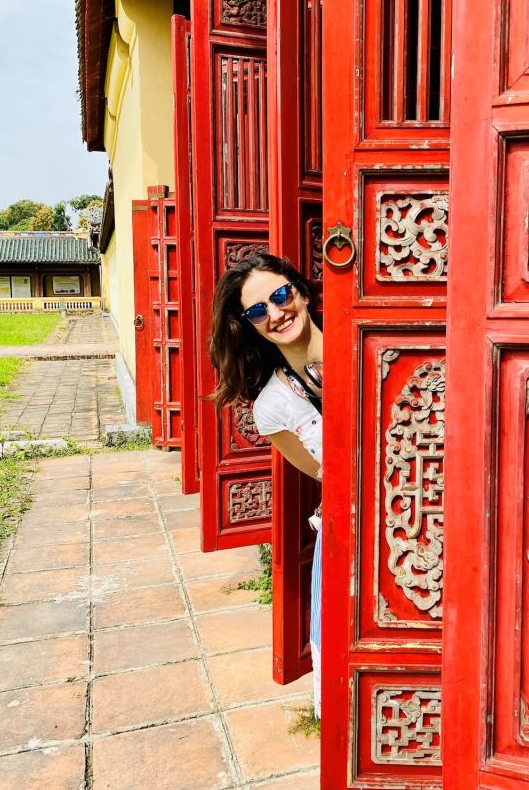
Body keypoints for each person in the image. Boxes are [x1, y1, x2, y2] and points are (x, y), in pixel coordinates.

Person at [209, 253, 323, 716]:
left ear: (302, 291)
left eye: (280, 295)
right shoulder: (272, 407)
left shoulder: (367, 342)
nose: (276, 313)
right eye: (259, 310)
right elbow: (322, 472)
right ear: (251, 325)